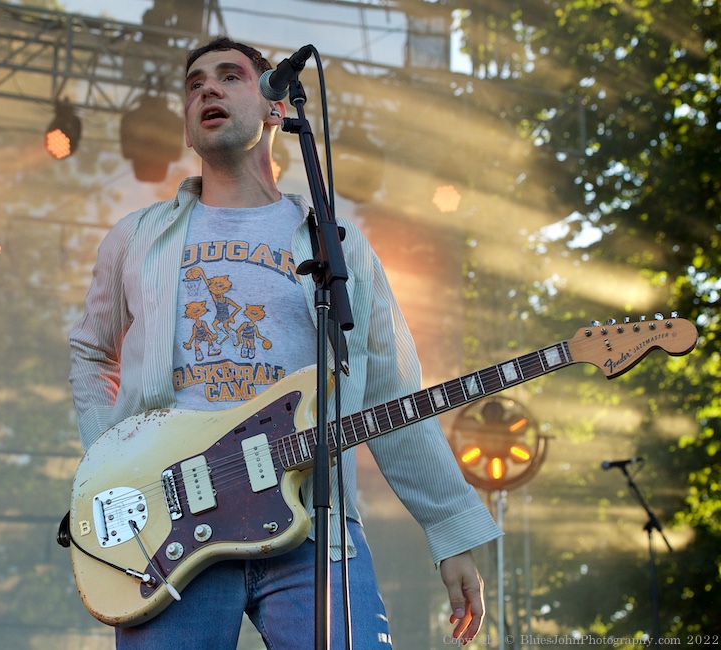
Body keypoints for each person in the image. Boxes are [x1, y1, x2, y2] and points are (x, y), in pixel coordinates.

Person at [68, 36, 503, 649]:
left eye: (230, 77)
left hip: (312, 521)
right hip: (170, 529)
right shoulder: (136, 240)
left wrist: (449, 529)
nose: (208, 90)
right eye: (195, 84)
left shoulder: (337, 248)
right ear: (189, 128)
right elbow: (90, 353)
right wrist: (113, 460)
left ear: (277, 108)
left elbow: (394, 390)